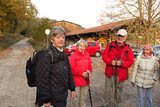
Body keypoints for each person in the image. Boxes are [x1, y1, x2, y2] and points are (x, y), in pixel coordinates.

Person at [35, 26, 76, 107]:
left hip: (62, 96)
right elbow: (42, 80)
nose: (61, 39)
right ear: (52, 40)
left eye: (63, 37)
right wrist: (46, 100)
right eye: (58, 37)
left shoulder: (63, 54)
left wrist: (72, 88)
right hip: (51, 99)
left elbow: (69, 71)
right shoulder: (46, 55)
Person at [101, 29, 134, 107]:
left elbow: (130, 62)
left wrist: (122, 63)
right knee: (107, 90)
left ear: (125, 37)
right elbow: (104, 56)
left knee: (118, 91)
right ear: (116, 36)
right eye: (119, 35)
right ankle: (105, 104)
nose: (120, 38)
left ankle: (117, 105)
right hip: (110, 73)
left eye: (122, 36)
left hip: (121, 74)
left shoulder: (128, 48)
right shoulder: (110, 45)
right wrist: (110, 61)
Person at [69, 40, 92, 107]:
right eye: (81, 46)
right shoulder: (73, 56)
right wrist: (81, 73)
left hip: (85, 80)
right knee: (75, 99)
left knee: (83, 98)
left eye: (84, 46)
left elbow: (90, 66)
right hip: (76, 82)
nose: (82, 48)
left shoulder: (87, 55)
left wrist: (89, 71)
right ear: (77, 46)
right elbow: (71, 69)